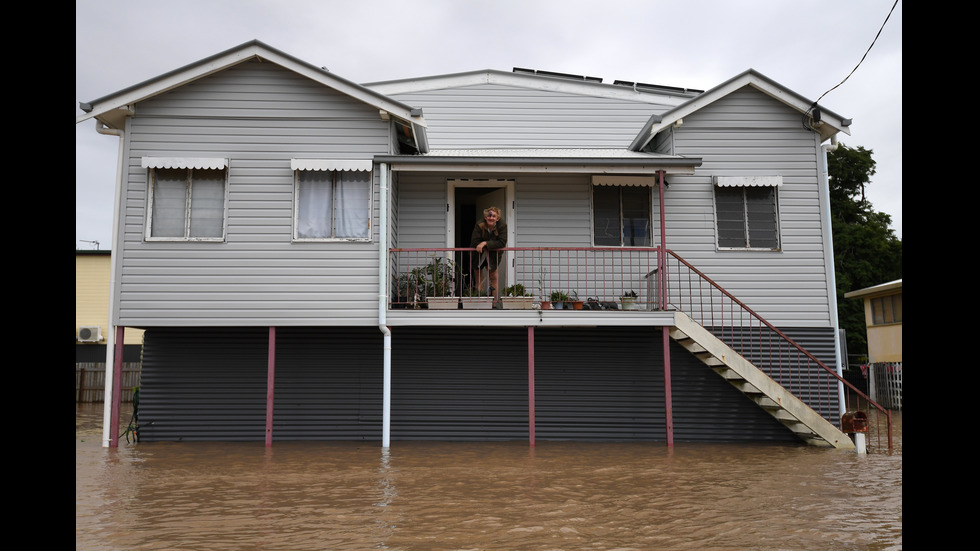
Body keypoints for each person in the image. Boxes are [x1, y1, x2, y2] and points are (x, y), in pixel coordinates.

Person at [469, 206, 507, 304]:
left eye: (494, 216)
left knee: (494, 276)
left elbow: (502, 242)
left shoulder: (502, 225)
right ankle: (480, 301)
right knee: (479, 277)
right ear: (486, 217)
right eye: (489, 216)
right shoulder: (479, 225)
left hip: (493, 254)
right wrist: (486, 244)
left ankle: (493, 302)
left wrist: (485, 243)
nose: (491, 218)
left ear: (497, 218)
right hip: (478, 253)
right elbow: (474, 242)